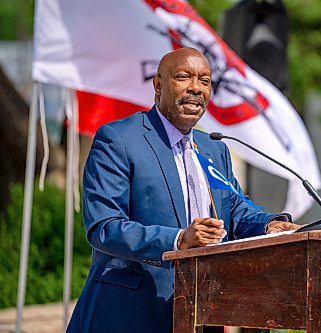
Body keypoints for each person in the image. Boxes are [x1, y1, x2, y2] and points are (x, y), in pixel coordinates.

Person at [67, 47, 300, 333]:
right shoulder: (119, 140)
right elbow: (104, 227)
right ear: (158, 85)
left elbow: (236, 210)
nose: (196, 88)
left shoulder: (215, 148)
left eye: (205, 81)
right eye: (183, 77)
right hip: (130, 312)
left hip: (202, 311)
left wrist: (271, 226)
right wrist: (179, 239)